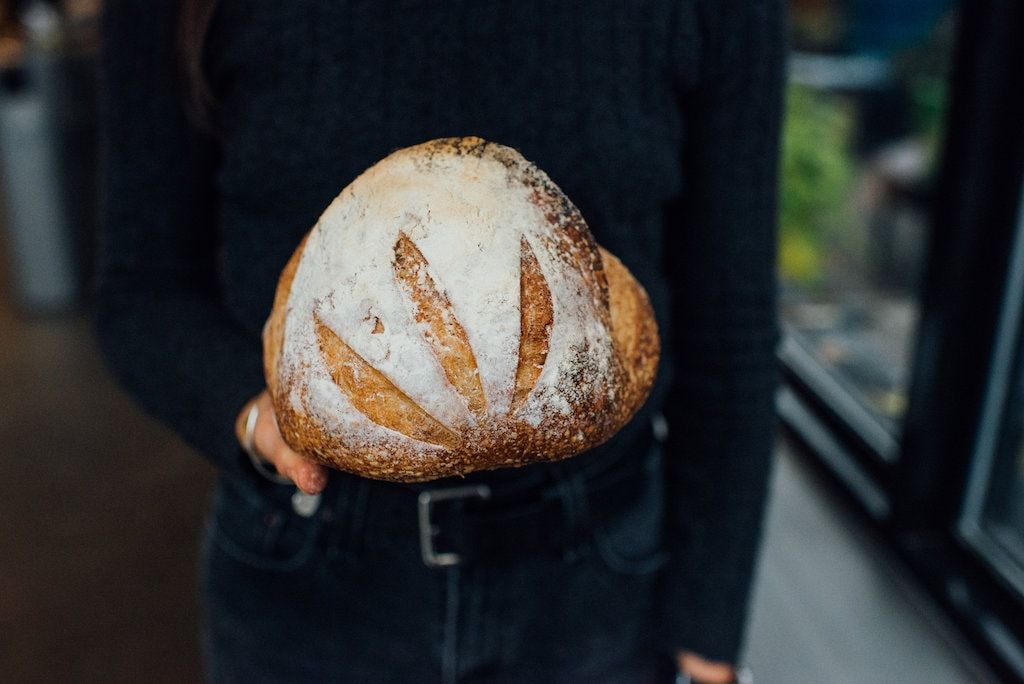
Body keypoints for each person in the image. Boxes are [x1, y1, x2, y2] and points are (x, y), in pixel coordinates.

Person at [96, 1, 784, 681]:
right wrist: (251, 413)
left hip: (600, 580)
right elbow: (141, 289)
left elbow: (730, 316)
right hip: (305, 575)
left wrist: (710, 620)